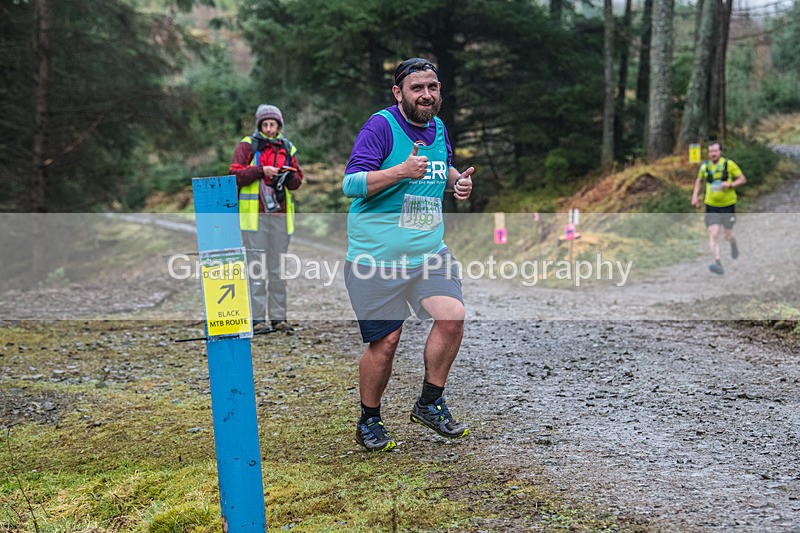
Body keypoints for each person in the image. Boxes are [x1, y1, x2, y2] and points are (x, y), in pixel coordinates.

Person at [342, 58, 475, 452]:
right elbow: (351, 184)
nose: (427, 95)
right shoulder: (380, 126)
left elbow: (442, 165)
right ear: (398, 92)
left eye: (433, 87)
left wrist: (457, 183)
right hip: (375, 256)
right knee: (387, 341)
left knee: (452, 317)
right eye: (417, 88)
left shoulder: (438, 128)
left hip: (429, 250)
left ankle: (430, 403)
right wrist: (401, 171)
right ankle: (370, 419)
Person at [230, 104, 303, 332]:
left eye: (273, 124)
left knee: (277, 269)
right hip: (254, 219)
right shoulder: (247, 145)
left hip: (280, 217)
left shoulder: (288, 147)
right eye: (266, 124)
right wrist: (261, 171)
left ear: (279, 125)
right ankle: (258, 320)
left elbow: (298, 180)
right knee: (257, 269)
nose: (270, 129)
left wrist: (287, 176)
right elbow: (233, 174)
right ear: (259, 125)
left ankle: (279, 319)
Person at [691, 142, 747, 275]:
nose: (713, 154)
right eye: (711, 151)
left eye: (715, 151)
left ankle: (733, 243)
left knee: (727, 236)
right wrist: (695, 196)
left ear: (720, 152)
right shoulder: (705, 167)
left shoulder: (729, 164)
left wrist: (730, 184)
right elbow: (699, 181)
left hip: (728, 205)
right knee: (713, 233)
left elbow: (742, 179)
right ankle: (718, 262)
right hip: (711, 205)